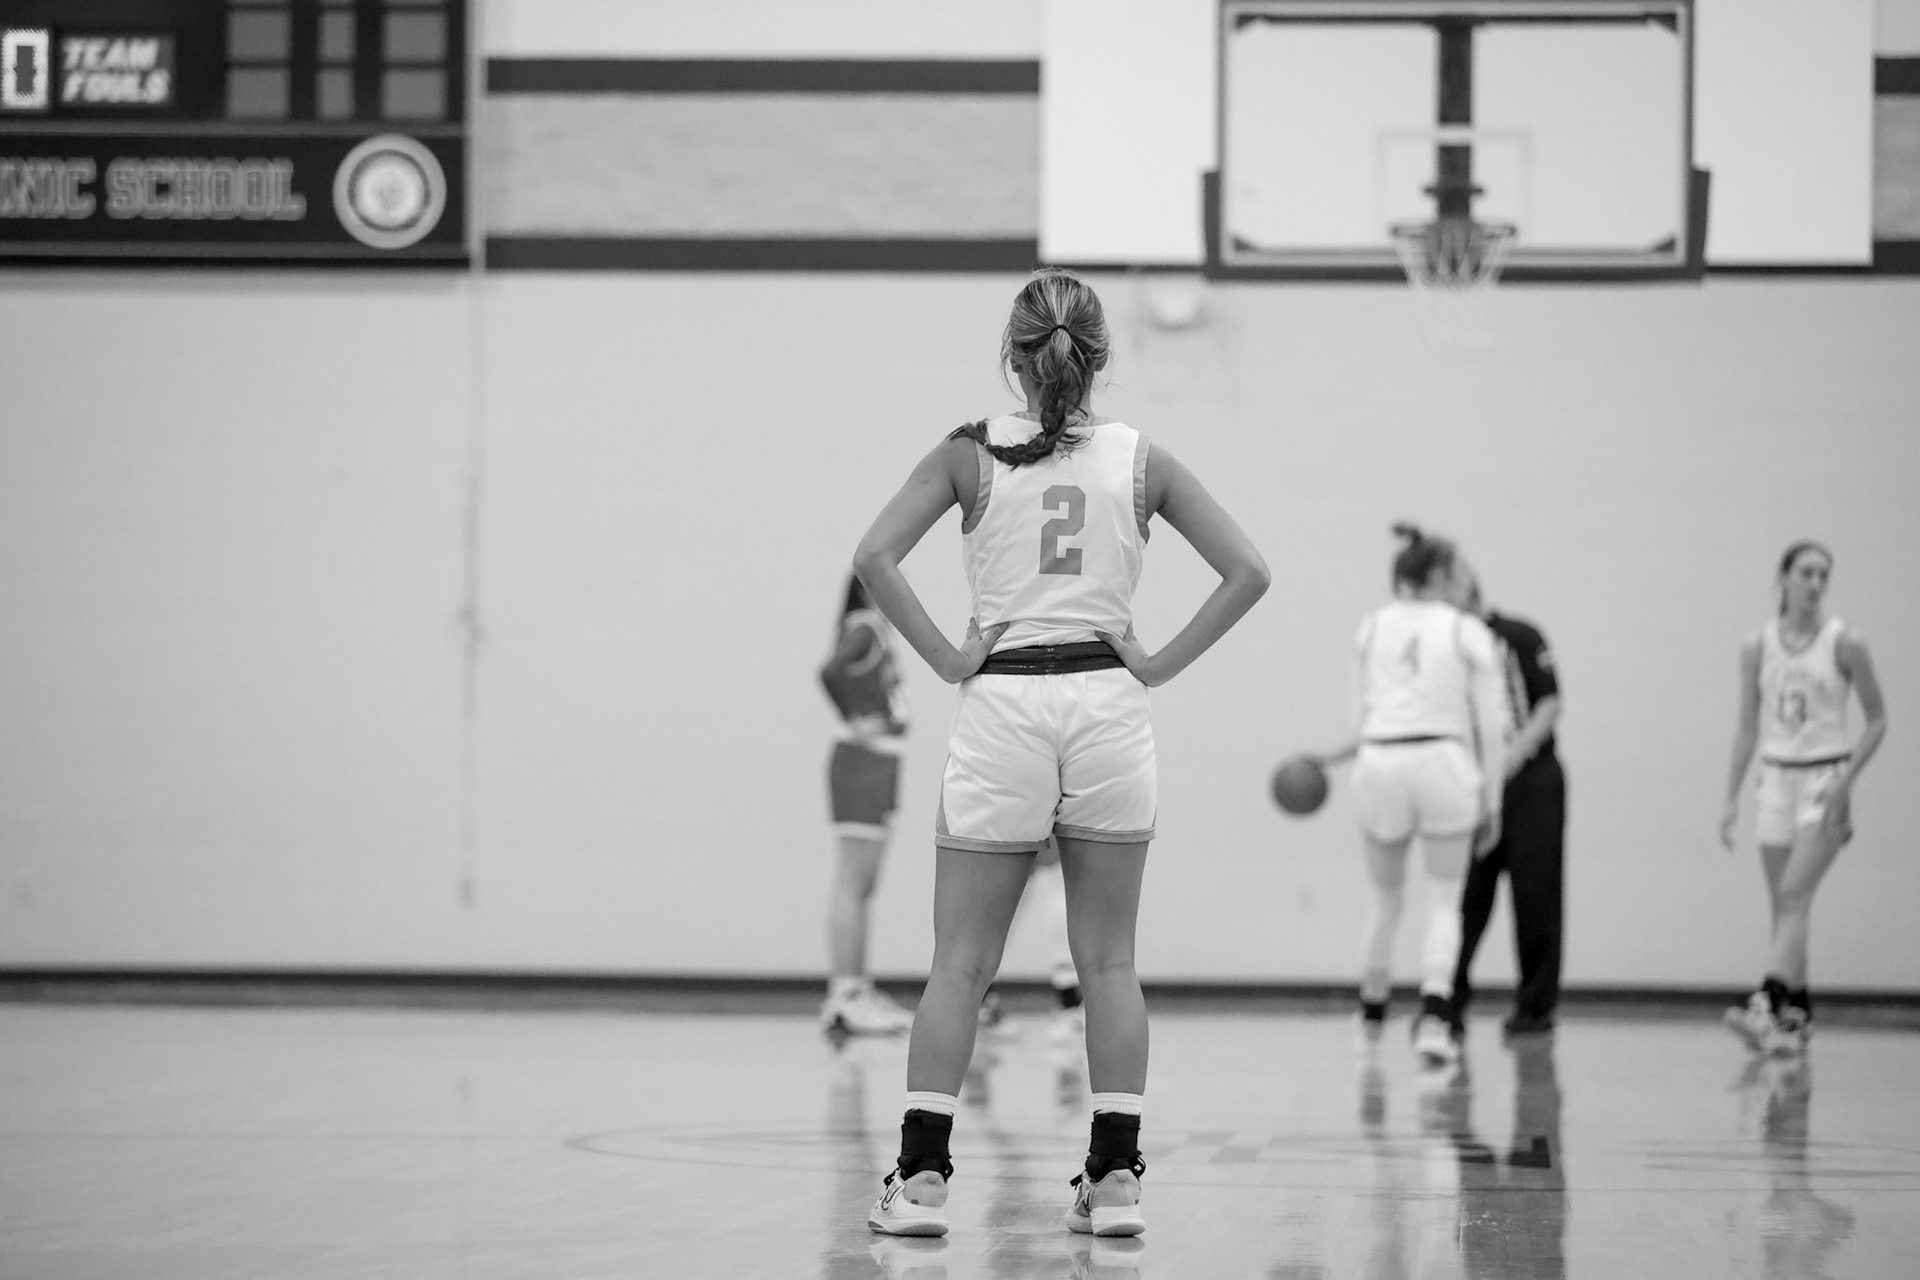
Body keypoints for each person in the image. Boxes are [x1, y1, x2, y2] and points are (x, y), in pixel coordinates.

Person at [850, 268, 1269, 1239]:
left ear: (1013, 354)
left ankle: (921, 1182)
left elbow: (873, 556)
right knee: (1110, 961)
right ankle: (1115, 1180)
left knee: (961, 963)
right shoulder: (1140, 458)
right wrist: (1157, 663)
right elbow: (1249, 570)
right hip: (1107, 704)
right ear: (1099, 357)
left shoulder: (970, 451)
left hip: (1005, 701)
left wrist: (949, 656)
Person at [1313, 524, 1508, 1069]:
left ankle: (1370, 1017)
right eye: (1458, 572)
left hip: (1380, 763)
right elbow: (1493, 728)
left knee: (1384, 901)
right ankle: (1436, 1021)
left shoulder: (1371, 626)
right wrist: (1492, 801)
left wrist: (1332, 758)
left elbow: (1361, 723)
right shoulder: (1467, 630)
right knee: (1444, 900)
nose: (1465, 581)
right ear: (1438, 575)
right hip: (1444, 763)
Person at [1719, 541, 1887, 1056]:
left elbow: (1878, 720)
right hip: (1775, 777)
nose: (1816, 583)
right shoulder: (1757, 645)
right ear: (1784, 578)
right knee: (1787, 905)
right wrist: (1730, 797)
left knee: (1793, 893)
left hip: (1824, 778)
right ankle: (1798, 1012)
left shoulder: (1844, 642)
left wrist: (1846, 782)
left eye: (1823, 575)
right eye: (1807, 572)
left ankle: (1766, 1003)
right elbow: (1747, 727)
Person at [1447, 574, 1567, 1037]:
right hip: (1474, 784)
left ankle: (1535, 1007)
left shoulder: (1519, 636)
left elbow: (1549, 703)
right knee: (1464, 897)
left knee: (1536, 896)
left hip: (1531, 782)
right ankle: (1447, 1002)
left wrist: (1512, 756)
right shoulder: (1448, 647)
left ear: (1468, 591)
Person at [818, 573, 916, 1037]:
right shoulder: (865, 626)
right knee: (853, 882)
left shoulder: (875, 628)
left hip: (880, 763)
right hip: (862, 763)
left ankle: (855, 990)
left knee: (863, 883)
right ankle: (847, 994)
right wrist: (854, 719)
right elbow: (829, 671)